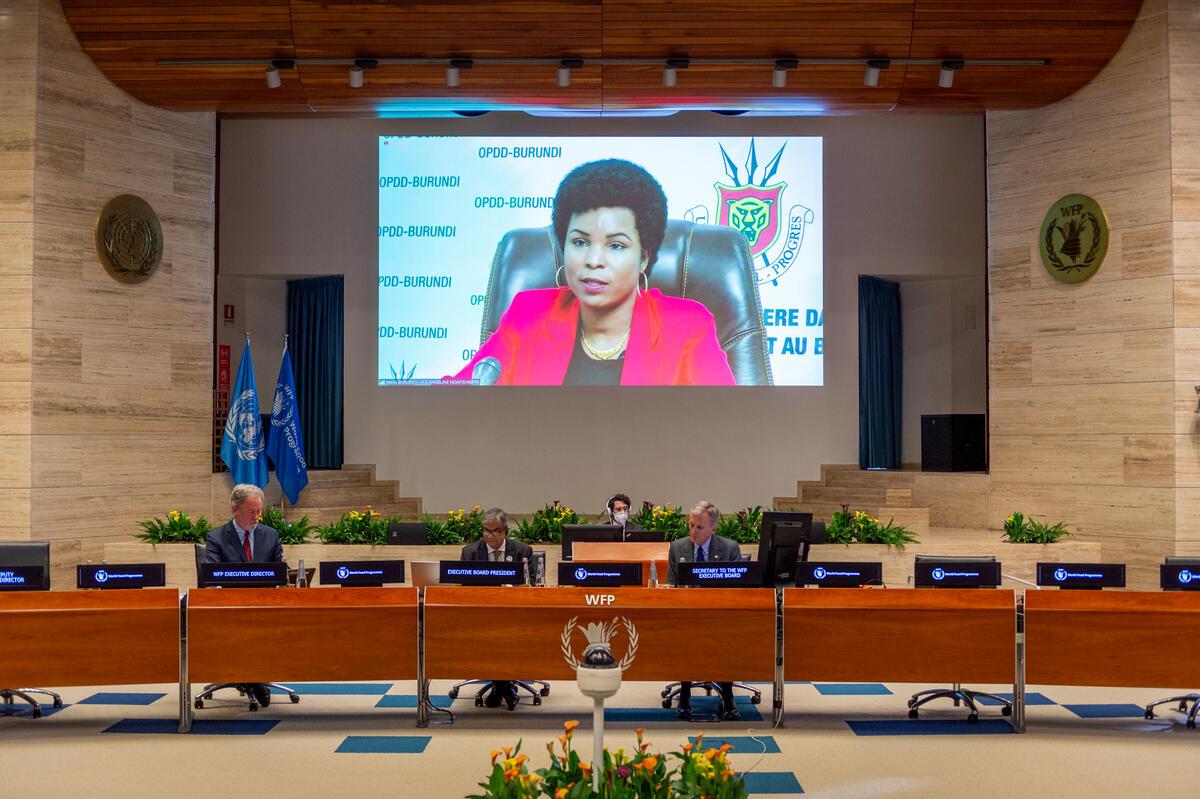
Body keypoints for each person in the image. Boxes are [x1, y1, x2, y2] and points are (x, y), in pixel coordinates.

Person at [454, 159, 736, 386]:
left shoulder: (687, 326)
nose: (593, 260)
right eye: (580, 242)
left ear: (643, 258)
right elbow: (455, 402)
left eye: (615, 245)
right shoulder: (528, 313)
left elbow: (723, 427)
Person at [203, 483, 284, 708]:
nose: (257, 516)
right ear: (234, 510)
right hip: (230, 607)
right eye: (251, 511)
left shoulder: (270, 535)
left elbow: (279, 572)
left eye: (259, 511)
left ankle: (252, 676)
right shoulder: (217, 537)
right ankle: (251, 678)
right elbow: (211, 575)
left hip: (264, 605)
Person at [668, 501, 743, 721]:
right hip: (687, 614)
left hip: (721, 614)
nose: (693, 531)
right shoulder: (677, 547)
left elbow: (737, 589)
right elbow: (671, 585)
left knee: (726, 636)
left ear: (713, 528)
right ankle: (684, 695)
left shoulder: (729, 548)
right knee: (685, 637)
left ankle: (728, 696)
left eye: (699, 527)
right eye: (691, 525)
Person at [459, 508, 534, 708]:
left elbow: (532, 584)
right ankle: (504, 688)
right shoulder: (470, 552)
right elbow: (464, 589)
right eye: (486, 530)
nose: (490, 535)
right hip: (480, 614)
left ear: (505, 532)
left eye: (495, 531)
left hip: (515, 613)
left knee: (506, 633)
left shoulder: (522, 551)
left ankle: (500, 688)